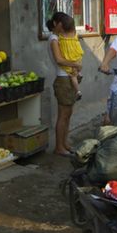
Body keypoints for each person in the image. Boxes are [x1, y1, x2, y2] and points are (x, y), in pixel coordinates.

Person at [46, 12, 84, 155]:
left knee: (68, 114)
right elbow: (59, 59)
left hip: (68, 79)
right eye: (61, 25)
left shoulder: (61, 37)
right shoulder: (54, 39)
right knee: (63, 115)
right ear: (55, 24)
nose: (63, 28)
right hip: (63, 80)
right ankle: (59, 147)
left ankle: (64, 143)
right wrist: (76, 64)